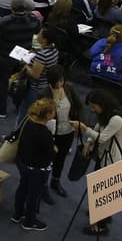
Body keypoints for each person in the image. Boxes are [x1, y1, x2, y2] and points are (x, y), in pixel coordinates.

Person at [71, 89, 122, 235]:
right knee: (99, 189)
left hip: (111, 161)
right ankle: (101, 214)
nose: (92, 109)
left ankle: (100, 226)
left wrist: (84, 129)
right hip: (103, 157)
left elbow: (102, 137)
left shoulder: (116, 119)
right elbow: (98, 127)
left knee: (104, 193)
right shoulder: (105, 115)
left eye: (94, 106)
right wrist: (89, 142)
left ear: (102, 104)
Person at [0, 0, 41, 119]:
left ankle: (0, 108)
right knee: (21, 81)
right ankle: (18, 106)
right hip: (24, 57)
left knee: (3, 82)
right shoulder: (34, 20)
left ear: (11, 8)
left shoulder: (4, 22)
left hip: (6, 57)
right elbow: (37, 34)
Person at [11, 97, 56, 231]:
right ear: (47, 115)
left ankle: (17, 214)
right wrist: (55, 149)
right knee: (34, 194)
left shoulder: (27, 121)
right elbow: (50, 154)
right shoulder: (45, 133)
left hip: (23, 163)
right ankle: (30, 221)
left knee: (22, 187)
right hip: (37, 169)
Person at [45, 66, 82, 200]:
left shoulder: (69, 88)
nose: (60, 84)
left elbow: (79, 106)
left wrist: (79, 124)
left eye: (62, 80)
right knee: (47, 160)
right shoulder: (45, 93)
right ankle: (43, 187)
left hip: (68, 131)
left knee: (61, 158)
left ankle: (55, 181)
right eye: (57, 81)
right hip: (51, 133)